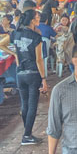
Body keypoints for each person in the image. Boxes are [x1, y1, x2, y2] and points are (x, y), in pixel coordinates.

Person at [12, 9, 48, 144]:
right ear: (33, 20)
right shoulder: (35, 36)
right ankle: (27, 135)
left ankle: (27, 133)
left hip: (20, 73)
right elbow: (39, 59)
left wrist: (16, 55)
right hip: (33, 73)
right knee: (32, 104)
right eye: (37, 16)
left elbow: (1, 43)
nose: (39, 18)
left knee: (24, 103)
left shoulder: (15, 33)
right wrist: (44, 78)